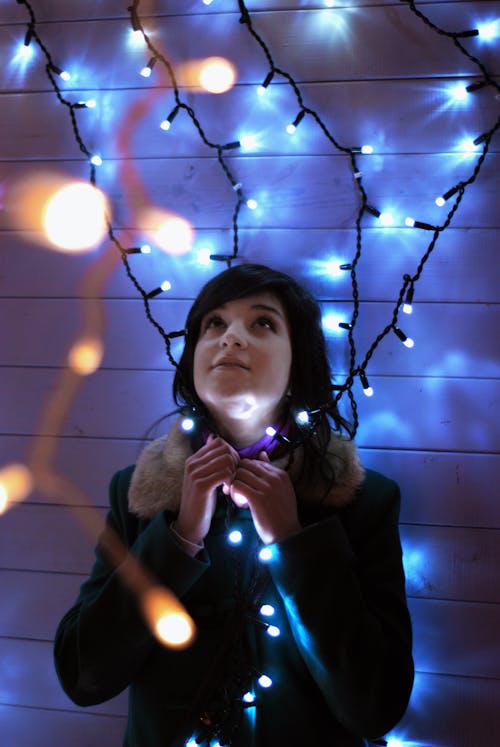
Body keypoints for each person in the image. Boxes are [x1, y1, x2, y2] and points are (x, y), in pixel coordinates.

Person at [54, 263, 414, 747]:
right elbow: (84, 677)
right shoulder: (135, 495)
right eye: (214, 324)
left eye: (262, 323)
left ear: (298, 364)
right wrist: (179, 536)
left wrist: (294, 542)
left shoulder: (364, 502)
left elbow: (374, 707)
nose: (232, 338)